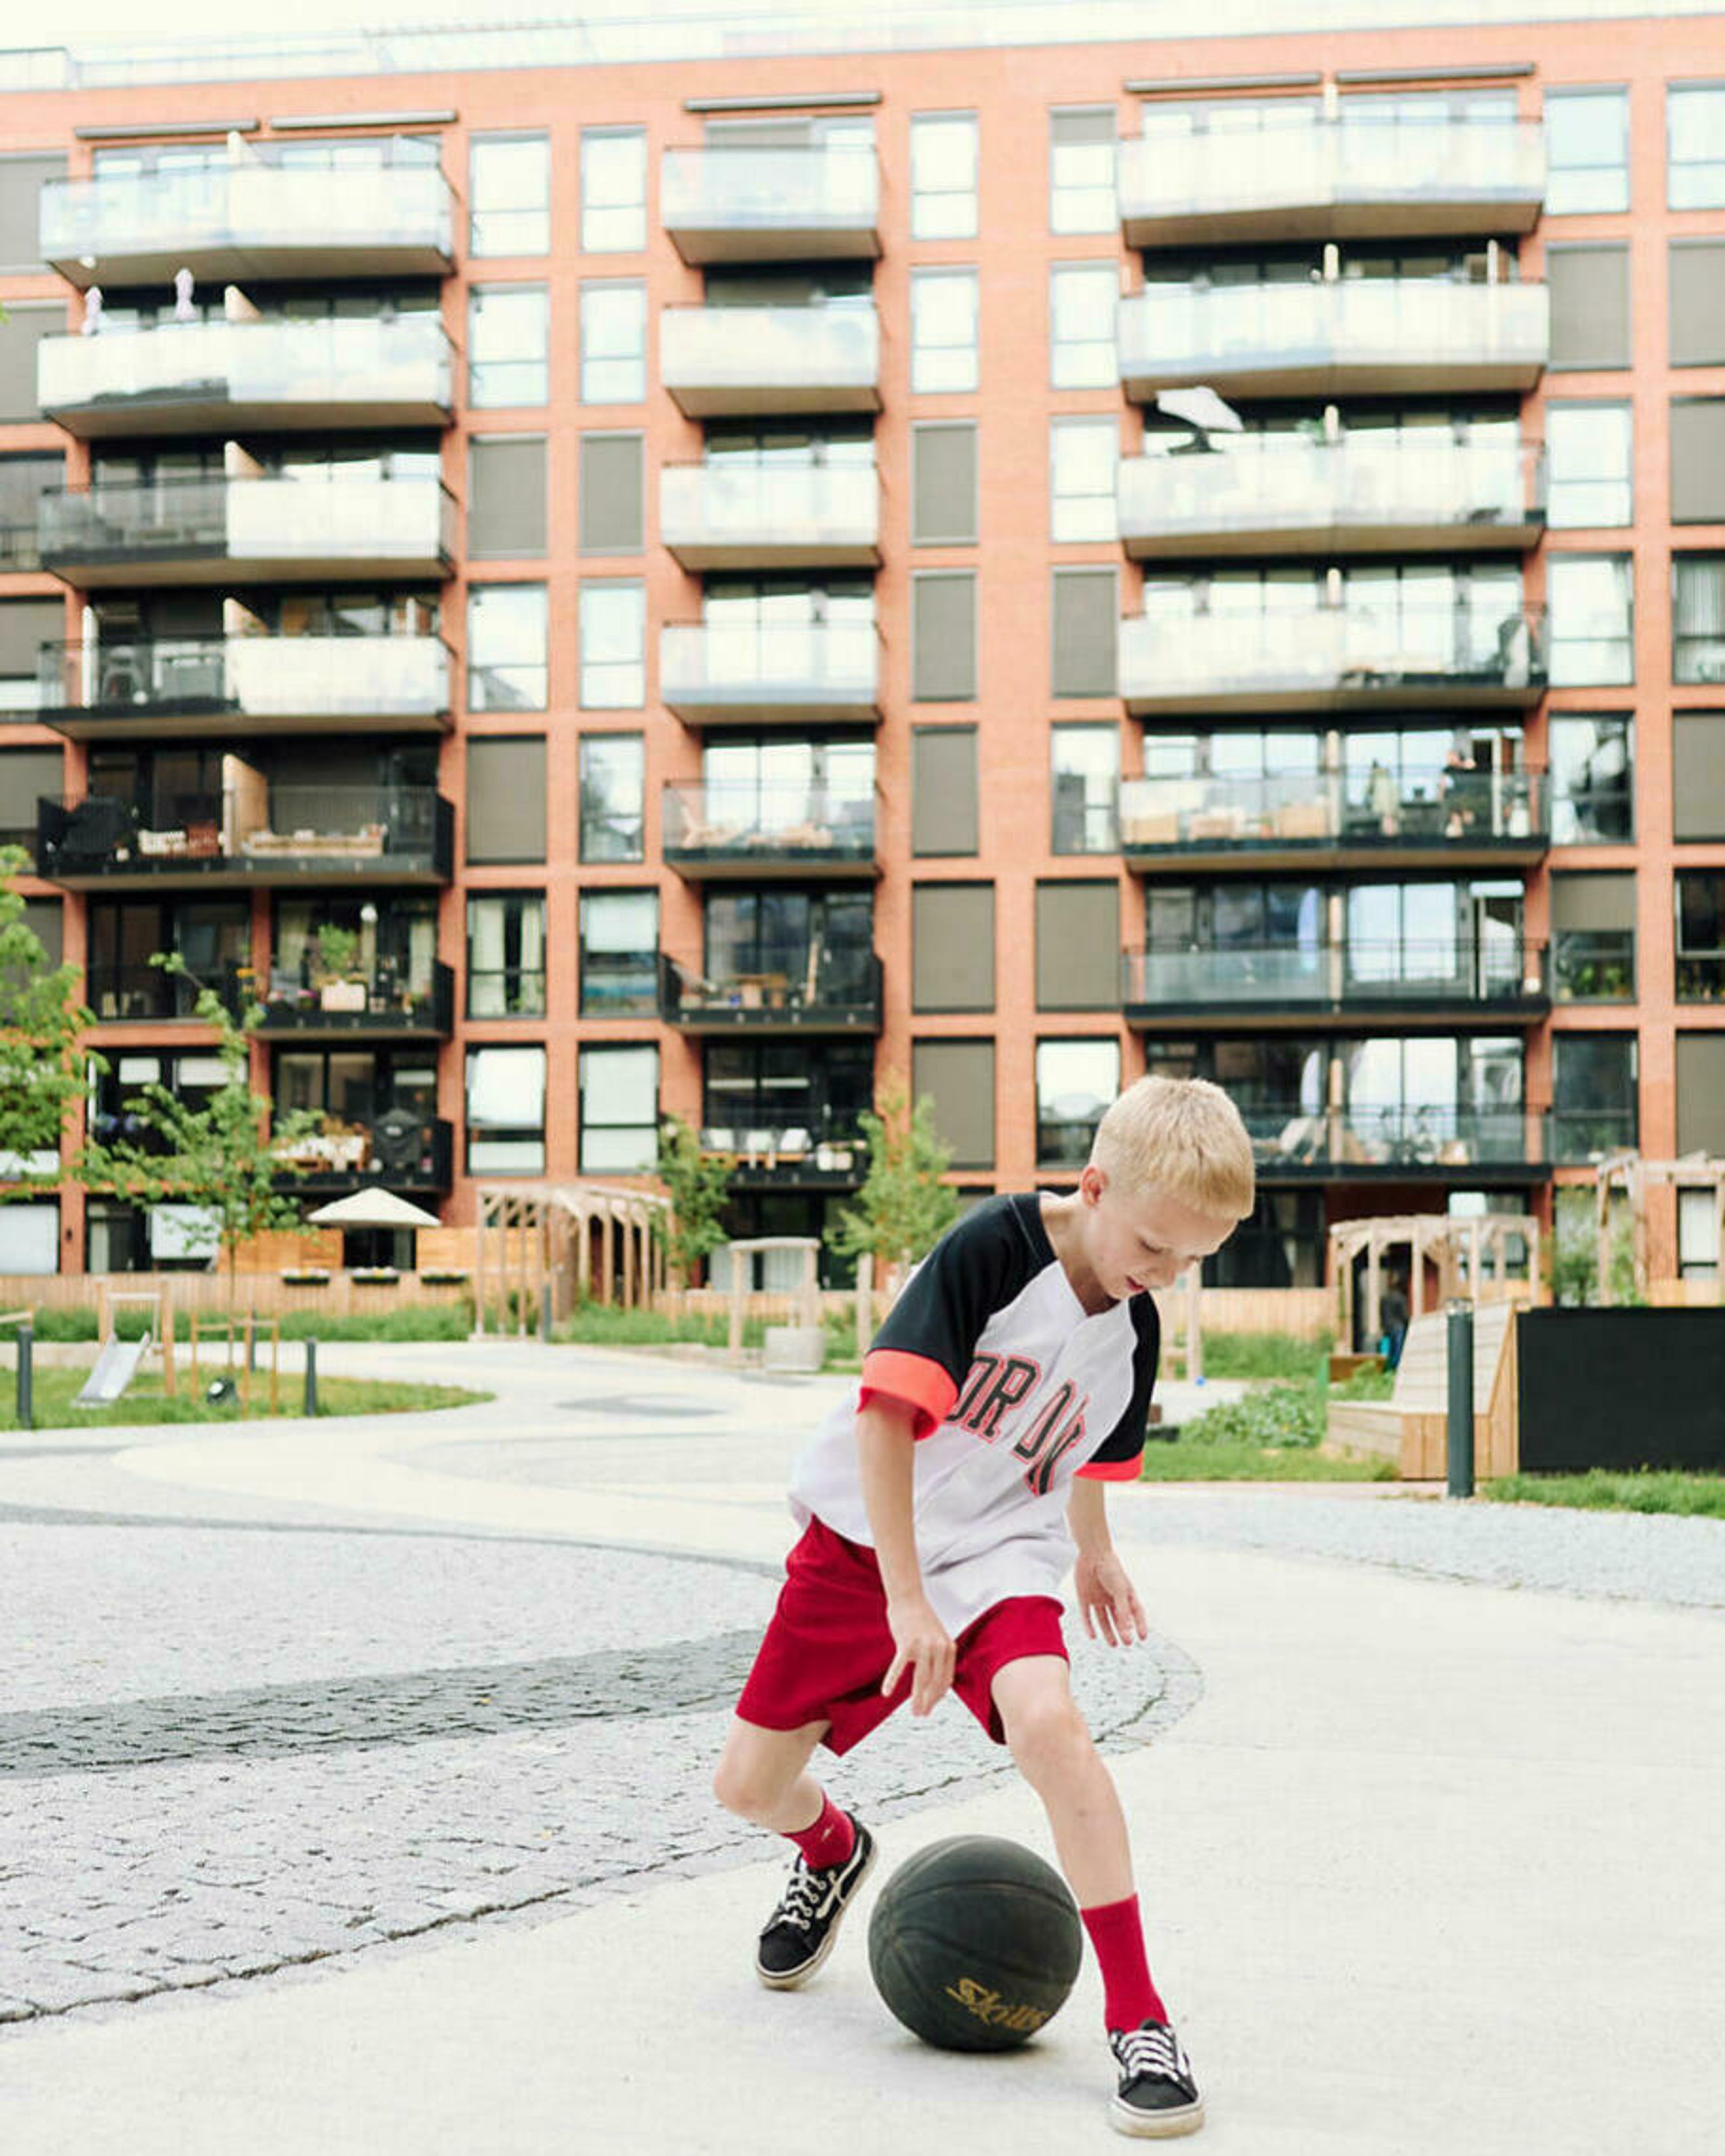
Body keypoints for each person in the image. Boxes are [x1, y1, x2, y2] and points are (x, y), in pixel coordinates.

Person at [712, 1076, 1257, 2138]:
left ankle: (1140, 2018)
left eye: (1195, 1261)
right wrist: (908, 1602)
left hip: (1004, 1549)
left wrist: (1093, 1552)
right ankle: (830, 1850)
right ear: (1094, 1187)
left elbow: (1094, 1451)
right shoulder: (991, 1254)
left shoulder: (1135, 1323)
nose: (1168, 1277)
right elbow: (883, 1424)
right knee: (745, 1787)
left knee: (1054, 1729)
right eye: (1155, 1247)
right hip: (867, 1540)